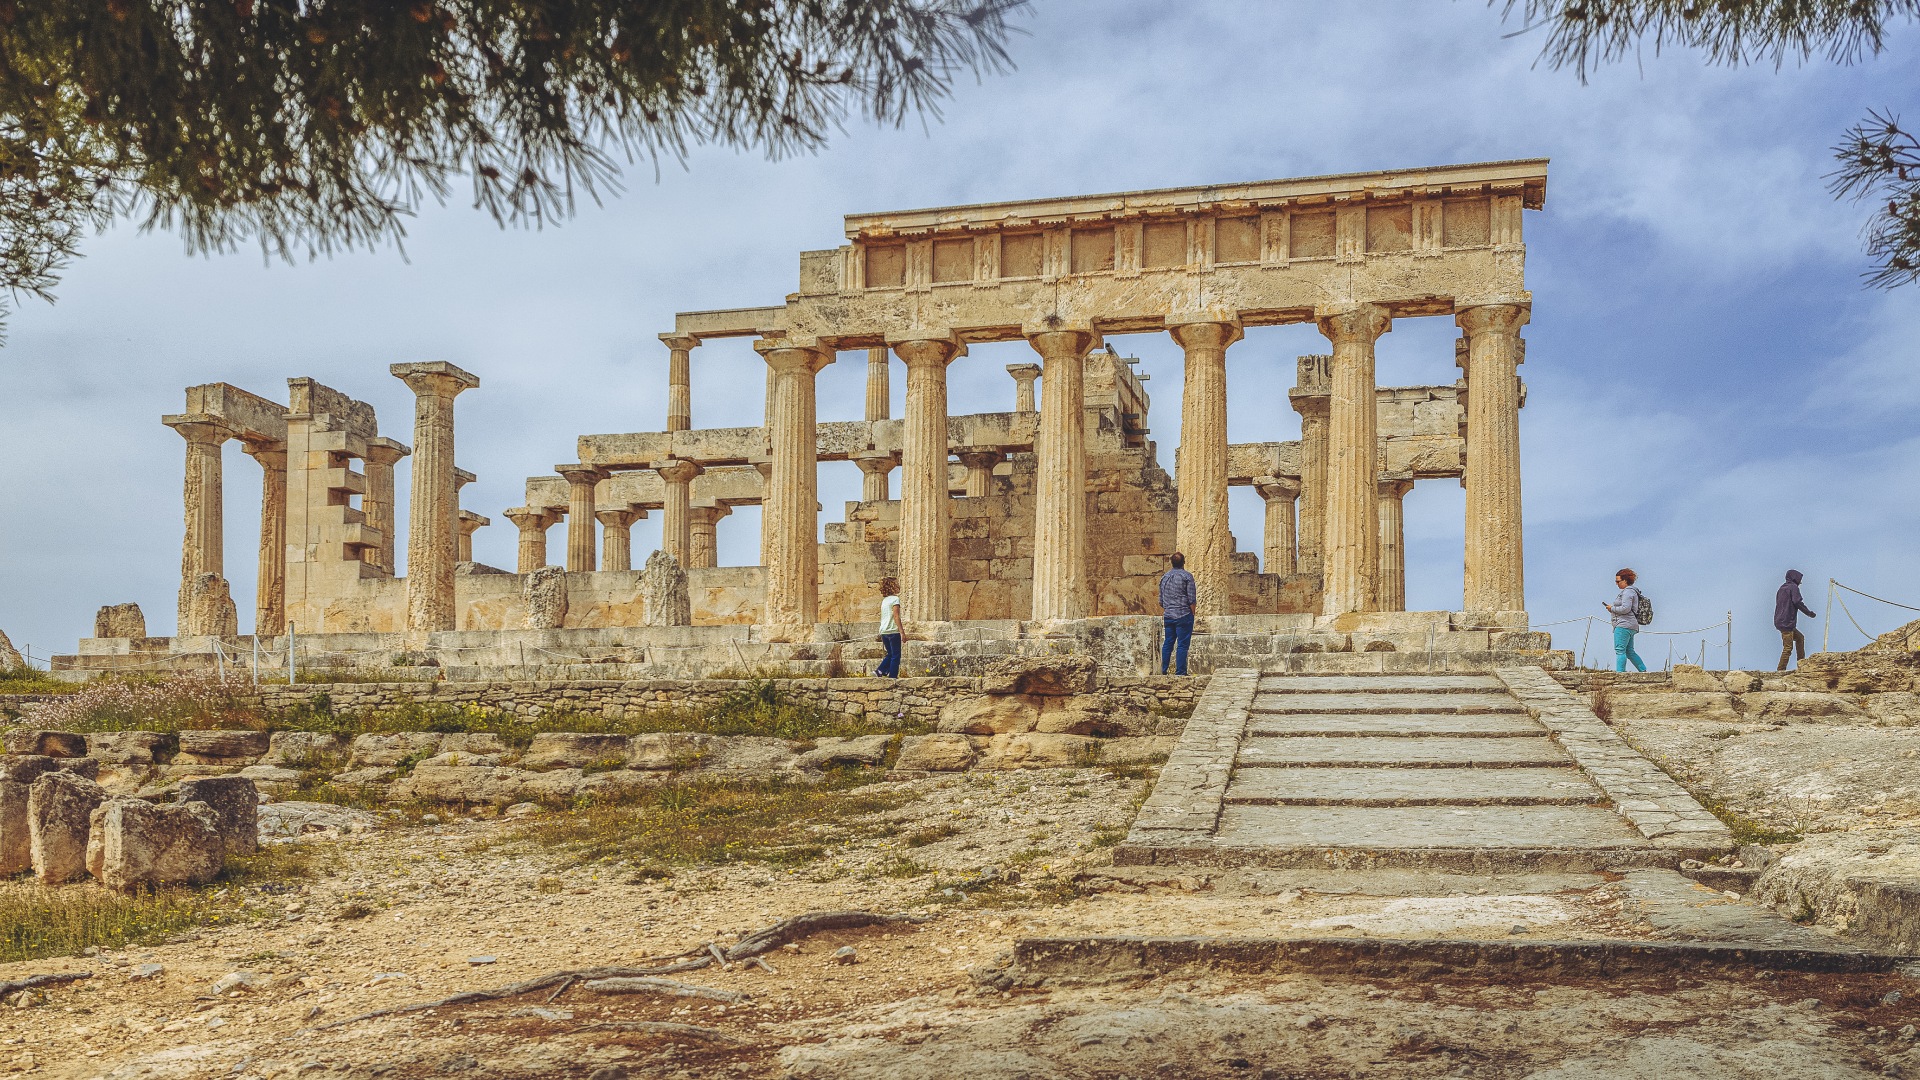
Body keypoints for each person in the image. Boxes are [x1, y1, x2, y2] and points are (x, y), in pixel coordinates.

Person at [1159, 551, 1197, 676]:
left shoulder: (1164, 578)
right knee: (1182, 645)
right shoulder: (1187, 577)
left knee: (1168, 643)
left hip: (1168, 615)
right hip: (1183, 614)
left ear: (1171, 563)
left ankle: (1163, 670)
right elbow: (1191, 599)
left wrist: (1169, 607)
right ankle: (1180, 672)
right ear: (1184, 562)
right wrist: (1192, 614)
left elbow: (1161, 601)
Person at [1602, 567, 1647, 672]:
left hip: (1623, 624)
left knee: (1620, 650)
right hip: (1631, 625)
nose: (1616, 584)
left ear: (1625, 580)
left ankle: (1620, 674)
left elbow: (1625, 609)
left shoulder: (1627, 592)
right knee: (1630, 651)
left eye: (1618, 581)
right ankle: (1643, 670)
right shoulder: (1632, 592)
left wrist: (1612, 608)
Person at [1775, 569, 1818, 671]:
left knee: (1800, 638)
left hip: (1780, 620)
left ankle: (1801, 663)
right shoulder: (1793, 588)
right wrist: (1809, 613)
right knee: (1788, 648)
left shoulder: (1781, 588)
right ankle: (1781, 670)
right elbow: (1797, 602)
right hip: (1787, 622)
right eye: (1800, 580)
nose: (1800, 582)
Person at [875, 577, 902, 679]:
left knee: (890, 654)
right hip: (893, 631)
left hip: (884, 631)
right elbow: (896, 616)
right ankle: (892, 676)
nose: (899, 586)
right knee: (896, 655)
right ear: (893, 587)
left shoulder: (884, 601)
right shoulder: (895, 599)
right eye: (897, 584)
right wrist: (902, 632)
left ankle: (880, 671)